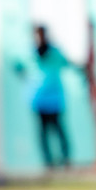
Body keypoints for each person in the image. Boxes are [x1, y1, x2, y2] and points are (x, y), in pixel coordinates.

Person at [15, 25, 76, 170]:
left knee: (59, 130)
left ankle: (66, 159)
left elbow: (67, 63)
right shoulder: (29, 53)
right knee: (43, 133)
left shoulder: (55, 52)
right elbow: (19, 66)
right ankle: (48, 163)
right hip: (38, 99)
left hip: (54, 98)